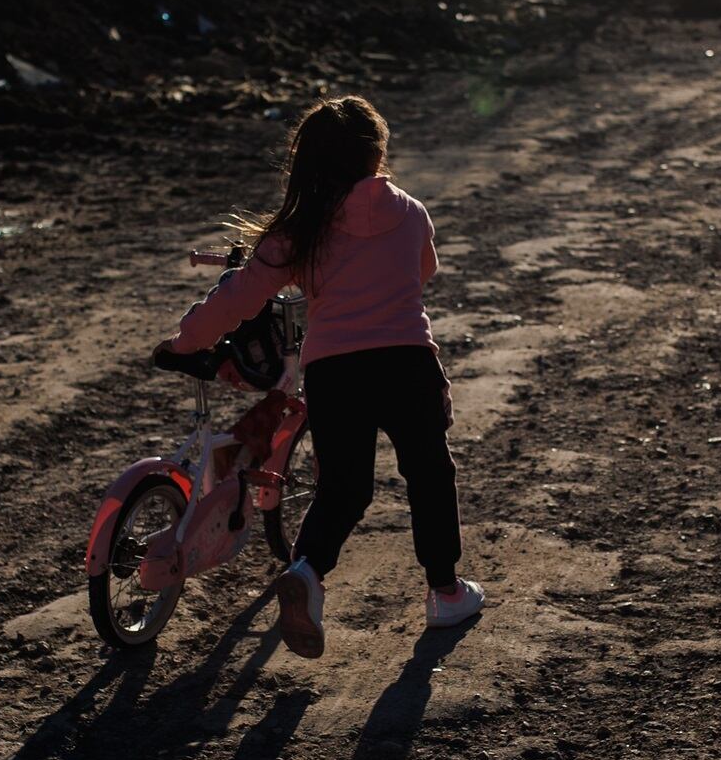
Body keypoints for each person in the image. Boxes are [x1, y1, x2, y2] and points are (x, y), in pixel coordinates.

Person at [157, 96, 483, 659]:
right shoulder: (411, 212)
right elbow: (423, 270)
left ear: (306, 163)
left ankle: (306, 573)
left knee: (344, 488)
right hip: (408, 361)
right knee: (429, 472)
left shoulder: (299, 232)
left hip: (335, 370)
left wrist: (184, 342)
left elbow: (235, 297)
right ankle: (446, 592)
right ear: (378, 154)